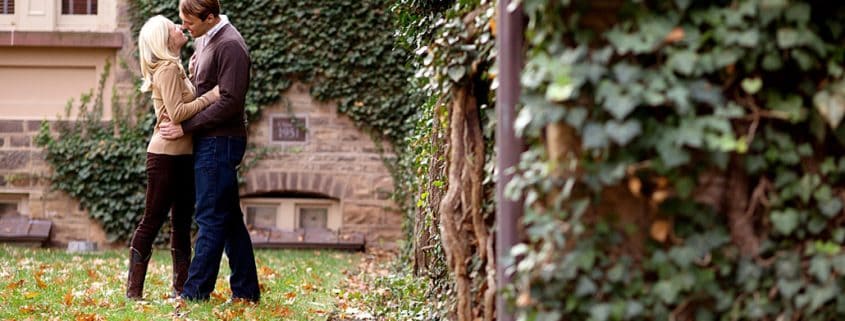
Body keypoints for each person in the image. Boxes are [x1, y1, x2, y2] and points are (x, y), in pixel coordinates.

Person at [159, 0, 260, 303]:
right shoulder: (207, 38)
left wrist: (186, 126)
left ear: (211, 17)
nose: (184, 27)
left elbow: (229, 101)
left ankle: (194, 294)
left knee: (209, 217)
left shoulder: (230, 45)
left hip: (221, 141)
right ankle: (246, 292)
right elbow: (204, 89)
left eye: (189, 22)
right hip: (210, 139)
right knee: (228, 218)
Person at [126, 14, 220, 300]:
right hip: (165, 157)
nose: (180, 28)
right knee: (151, 220)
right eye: (173, 27)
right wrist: (211, 96)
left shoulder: (174, 67)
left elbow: (179, 105)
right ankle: (134, 291)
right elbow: (178, 114)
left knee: (181, 222)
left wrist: (191, 77)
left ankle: (181, 289)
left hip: (183, 155)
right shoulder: (166, 68)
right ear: (164, 39)